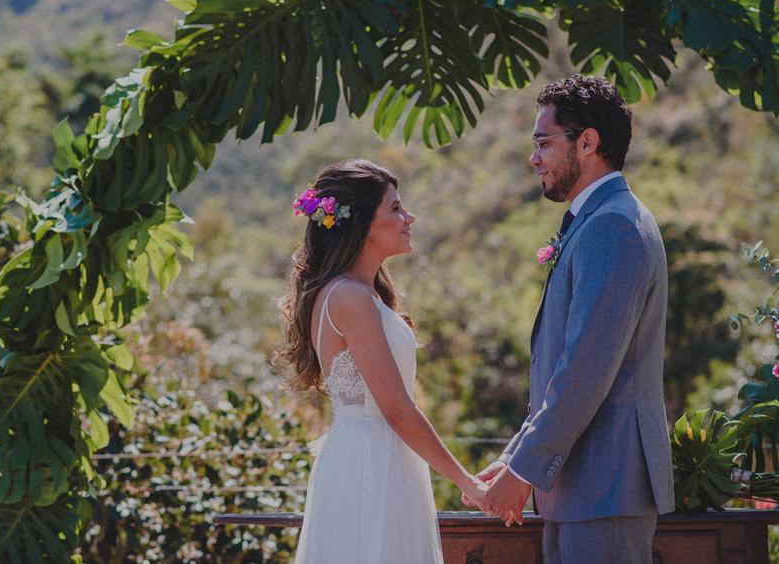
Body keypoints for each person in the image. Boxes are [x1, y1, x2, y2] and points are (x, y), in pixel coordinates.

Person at [466, 76, 674, 563]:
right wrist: (514, 459)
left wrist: (524, 472)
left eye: (543, 141)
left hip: (605, 487)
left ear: (587, 141)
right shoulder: (597, 220)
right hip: (581, 490)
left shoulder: (613, 226)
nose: (534, 156)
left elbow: (584, 370)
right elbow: (566, 368)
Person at [274, 158, 488, 564]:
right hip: (370, 468)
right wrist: (468, 483)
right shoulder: (350, 298)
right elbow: (396, 408)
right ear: (363, 224)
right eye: (395, 208)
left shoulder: (359, 293)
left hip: (379, 459)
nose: (409, 217)